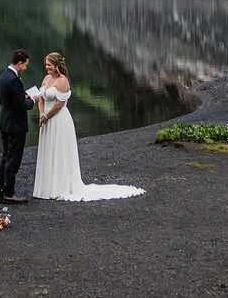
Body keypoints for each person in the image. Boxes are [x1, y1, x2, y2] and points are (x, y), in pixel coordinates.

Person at [29, 51, 144, 202]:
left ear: (57, 66)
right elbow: (41, 98)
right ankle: (46, 187)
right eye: (46, 65)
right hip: (46, 120)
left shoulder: (63, 81)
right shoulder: (46, 78)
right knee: (49, 150)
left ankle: (60, 186)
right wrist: (41, 113)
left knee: (59, 151)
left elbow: (60, 104)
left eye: (49, 65)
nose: (47, 68)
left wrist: (47, 115)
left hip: (58, 119)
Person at [0, 49, 35, 203]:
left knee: (6, 158)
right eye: (25, 65)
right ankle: (8, 194)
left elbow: (7, 100)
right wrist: (34, 100)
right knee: (13, 159)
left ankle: (2, 190)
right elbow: (23, 105)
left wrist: (21, 95)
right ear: (20, 63)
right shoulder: (14, 80)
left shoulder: (3, 76)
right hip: (15, 126)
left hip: (5, 123)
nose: (25, 68)